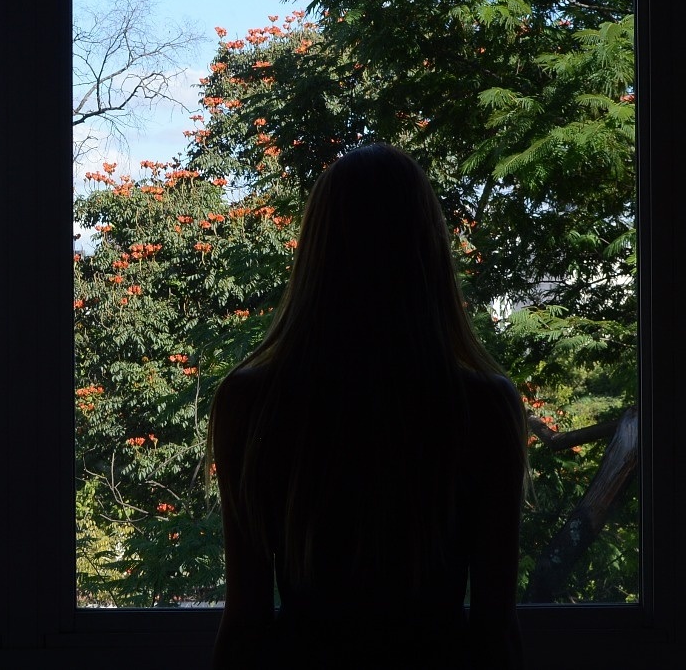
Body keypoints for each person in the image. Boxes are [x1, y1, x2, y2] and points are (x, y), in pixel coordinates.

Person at [208, 143, 527, 669]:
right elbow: (496, 627)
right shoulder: (485, 406)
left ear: (318, 251)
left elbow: (245, 618)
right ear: (428, 250)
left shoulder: (251, 402)